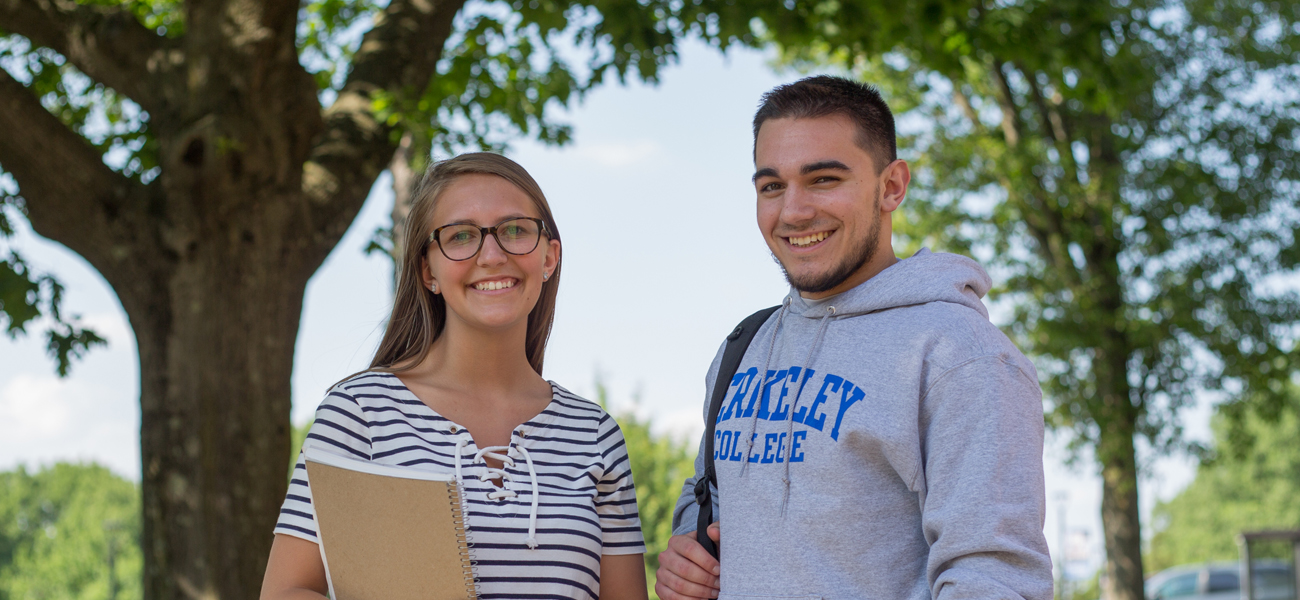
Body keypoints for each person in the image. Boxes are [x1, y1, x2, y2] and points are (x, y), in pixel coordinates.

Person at [654, 76, 1053, 600]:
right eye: (772, 186)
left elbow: (996, 579)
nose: (793, 211)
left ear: (891, 187)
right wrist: (688, 550)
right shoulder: (744, 346)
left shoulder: (961, 357)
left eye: (823, 180)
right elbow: (709, 497)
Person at [260, 153, 648, 600]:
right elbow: (285, 593)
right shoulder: (360, 413)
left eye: (515, 230)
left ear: (549, 257)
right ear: (429, 270)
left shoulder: (595, 434)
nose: (492, 254)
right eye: (461, 236)